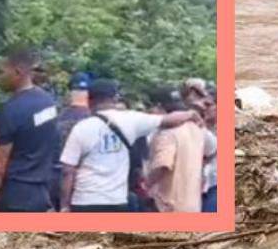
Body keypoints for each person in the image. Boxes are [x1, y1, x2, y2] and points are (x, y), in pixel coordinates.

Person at [59, 79, 199, 212]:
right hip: (117, 201)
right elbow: (169, 119)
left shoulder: (81, 128)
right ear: (115, 98)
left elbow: (67, 170)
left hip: (85, 201)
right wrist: (191, 114)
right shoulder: (131, 119)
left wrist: (64, 205)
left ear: (90, 101)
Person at [0, 48, 59, 212]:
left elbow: (0, 165)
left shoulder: (10, 110)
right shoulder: (49, 103)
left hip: (15, 195)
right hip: (42, 192)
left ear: (17, 72)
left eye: (1, 72)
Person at [146, 86, 207, 213]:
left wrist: (146, 184)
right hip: (193, 204)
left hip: (167, 204)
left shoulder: (166, 133)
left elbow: (162, 165)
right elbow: (211, 151)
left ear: (158, 107)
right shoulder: (197, 128)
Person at [51, 71, 92, 209]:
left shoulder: (56, 117)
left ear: (69, 92)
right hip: (88, 184)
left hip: (58, 179)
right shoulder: (97, 119)